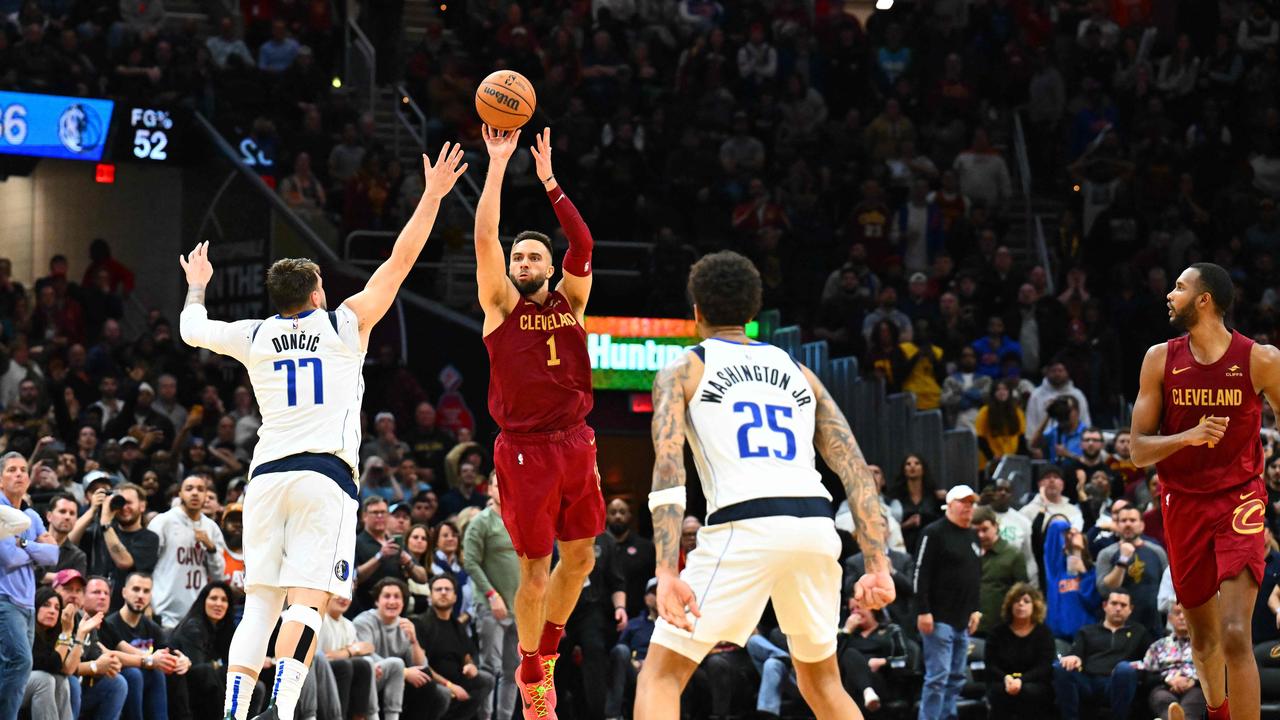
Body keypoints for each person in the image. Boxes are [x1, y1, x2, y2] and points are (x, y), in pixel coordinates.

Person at [179, 141, 466, 720]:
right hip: (323, 477)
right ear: (317, 294)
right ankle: (281, 712)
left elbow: (191, 328)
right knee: (306, 607)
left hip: (263, 479)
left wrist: (198, 282)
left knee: (258, 606)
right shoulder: (343, 325)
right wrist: (433, 195)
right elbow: (399, 262)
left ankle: (238, 713)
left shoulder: (255, 334)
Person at [634, 251, 894, 720]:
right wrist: (878, 563)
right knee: (823, 682)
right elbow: (856, 470)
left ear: (696, 311)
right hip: (815, 528)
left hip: (745, 524)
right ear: (753, 313)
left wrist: (667, 570)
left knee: (660, 675)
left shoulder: (684, 368)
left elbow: (669, 471)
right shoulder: (801, 373)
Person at [474, 124, 605, 719]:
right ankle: (532, 671)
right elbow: (483, 240)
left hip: (577, 442)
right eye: (518, 256)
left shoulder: (571, 302)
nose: (523, 261)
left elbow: (583, 244)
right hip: (524, 449)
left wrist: (550, 181)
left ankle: (544, 653)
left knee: (582, 559)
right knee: (535, 568)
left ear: (550, 268)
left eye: (534, 256)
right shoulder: (499, 305)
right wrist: (498, 165)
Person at [1130, 262, 1280, 720]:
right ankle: (1216, 712)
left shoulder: (1261, 359)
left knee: (1236, 632)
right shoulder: (1160, 358)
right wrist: (1186, 436)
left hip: (1240, 497)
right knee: (1203, 639)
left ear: (1204, 299)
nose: (1169, 294)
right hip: (1182, 501)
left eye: (1178, 287)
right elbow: (1137, 450)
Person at [914, 485, 982, 720]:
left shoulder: (973, 536)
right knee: (938, 676)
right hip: (938, 617)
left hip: (963, 618)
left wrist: (975, 610)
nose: (968, 507)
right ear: (950, 504)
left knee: (956, 676)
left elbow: (974, 575)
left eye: (971, 503)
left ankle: (947, 716)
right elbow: (920, 573)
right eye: (963, 502)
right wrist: (923, 611)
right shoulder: (933, 532)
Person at [0, 452, 60, 720]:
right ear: (0, 479)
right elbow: (8, 558)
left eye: (23, 469)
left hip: (27, 602)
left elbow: (53, 555)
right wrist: (35, 550)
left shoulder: (31, 515)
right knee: (21, 662)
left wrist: (23, 543)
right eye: (12, 469)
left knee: (14, 666)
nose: (19, 474)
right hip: (4, 599)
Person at [462, 474, 521, 720]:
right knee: (489, 668)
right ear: (489, 489)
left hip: (518, 608)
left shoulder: (520, 519)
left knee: (513, 672)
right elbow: (470, 562)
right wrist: (491, 594)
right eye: (499, 484)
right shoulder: (481, 522)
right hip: (490, 605)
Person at [352, 577, 451, 720]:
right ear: (377, 601)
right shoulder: (364, 622)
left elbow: (421, 667)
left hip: (397, 683)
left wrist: (414, 640)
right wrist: (403, 672)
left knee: (436, 690)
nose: (392, 601)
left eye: (397, 597)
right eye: (386, 596)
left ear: (403, 603)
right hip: (373, 679)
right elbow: (365, 655)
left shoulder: (406, 625)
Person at [101, 572, 192, 720]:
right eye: (136, 589)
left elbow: (167, 650)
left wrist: (183, 660)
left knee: (172, 670)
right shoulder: (111, 624)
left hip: (145, 678)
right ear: (124, 592)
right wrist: (150, 661)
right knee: (140, 673)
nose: (141, 595)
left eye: (146, 591)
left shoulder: (151, 626)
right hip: (119, 677)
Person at [1052, 589, 1151, 720]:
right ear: (1105, 605)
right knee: (1060, 667)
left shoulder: (1140, 632)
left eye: (1123, 605)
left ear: (1130, 609)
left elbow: (1150, 661)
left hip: (1117, 681)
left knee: (1125, 669)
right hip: (1087, 681)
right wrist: (1074, 658)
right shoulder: (1087, 631)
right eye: (1114, 603)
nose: (1118, 608)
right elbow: (1075, 655)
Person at [148, 475, 227, 627]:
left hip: (198, 616)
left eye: (200, 489)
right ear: (180, 494)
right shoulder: (163, 521)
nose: (195, 493)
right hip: (164, 613)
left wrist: (210, 547)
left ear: (206, 495)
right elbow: (146, 565)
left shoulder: (211, 528)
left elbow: (219, 576)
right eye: (189, 489)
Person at [416, 574, 497, 719]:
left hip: (458, 679)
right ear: (430, 596)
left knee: (485, 679)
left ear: (454, 597)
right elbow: (422, 665)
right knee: (443, 693)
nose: (443, 592)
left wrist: (471, 666)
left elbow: (467, 656)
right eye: (438, 589)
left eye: (447, 589)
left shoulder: (457, 626)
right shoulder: (420, 624)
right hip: (433, 682)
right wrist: (449, 685)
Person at [69, 482, 159, 612]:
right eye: (120, 502)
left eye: (128, 502)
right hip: (92, 609)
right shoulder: (99, 530)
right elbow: (70, 541)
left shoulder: (149, 538)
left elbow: (124, 562)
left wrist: (106, 523)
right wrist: (93, 509)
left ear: (142, 506)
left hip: (124, 612)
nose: (124, 507)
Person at [1094, 505, 1168, 637]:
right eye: (1123, 521)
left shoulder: (1157, 551)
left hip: (1154, 624)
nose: (1128, 524)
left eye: (1132, 520)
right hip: (1120, 626)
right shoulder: (1106, 554)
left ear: (1142, 525)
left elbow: (1168, 587)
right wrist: (1122, 560)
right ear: (1116, 525)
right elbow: (1104, 590)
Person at [985, 583, 1056, 719]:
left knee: (1029, 692)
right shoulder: (997, 632)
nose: (1020, 604)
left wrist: (1021, 680)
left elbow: (1044, 667)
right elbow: (990, 664)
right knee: (999, 692)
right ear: (1010, 605)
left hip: (1034, 682)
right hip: (1003, 680)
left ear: (1035, 606)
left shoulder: (1044, 633)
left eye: (1026, 601)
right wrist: (1007, 678)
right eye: (1016, 601)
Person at [169, 582, 235, 720]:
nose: (219, 604)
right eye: (213, 598)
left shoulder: (222, 629)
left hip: (205, 684)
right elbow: (198, 669)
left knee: (255, 687)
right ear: (203, 601)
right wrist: (220, 666)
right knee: (210, 674)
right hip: (182, 684)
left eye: (224, 600)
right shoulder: (193, 627)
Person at [23, 587, 85, 720]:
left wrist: (80, 635)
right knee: (44, 679)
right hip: (8, 684)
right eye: (46, 605)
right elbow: (52, 664)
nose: (52, 611)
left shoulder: (52, 635)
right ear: (35, 607)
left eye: (57, 608)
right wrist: (67, 632)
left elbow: (67, 669)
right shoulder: (24, 630)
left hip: (28, 685)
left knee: (61, 680)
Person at [317, 594, 375, 720]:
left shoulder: (349, 625)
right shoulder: (319, 619)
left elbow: (368, 647)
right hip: (316, 672)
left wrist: (346, 652)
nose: (343, 598)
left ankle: (362, 717)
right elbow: (321, 657)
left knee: (364, 665)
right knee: (344, 665)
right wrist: (350, 651)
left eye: (347, 595)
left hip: (341, 671)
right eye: (339, 593)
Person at [1144, 602, 1205, 720]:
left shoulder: (1204, 645)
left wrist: (1194, 682)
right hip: (1164, 687)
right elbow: (1147, 676)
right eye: (1177, 613)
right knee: (1163, 700)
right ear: (1169, 618)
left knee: (1192, 703)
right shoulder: (1157, 646)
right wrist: (1168, 680)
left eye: (1186, 613)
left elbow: (1216, 674)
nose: (1182, 617)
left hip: (1196, 687)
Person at [975, 506, 1029, 634]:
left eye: (985, 529)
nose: (981, 535)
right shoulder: (969, 552)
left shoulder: (1013, 555)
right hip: (970, 626)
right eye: (976, 531)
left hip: (1000, 628)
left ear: (995, 526)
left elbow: (1022, 591)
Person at [606, 498, 657, 619]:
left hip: (638, 615)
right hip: (603, 617)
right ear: (606, 516)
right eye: (613, 512)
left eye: (622, 512)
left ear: (629, 516)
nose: (618, 516)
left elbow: (654, 579)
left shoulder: (646, 547)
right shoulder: (597, 547)